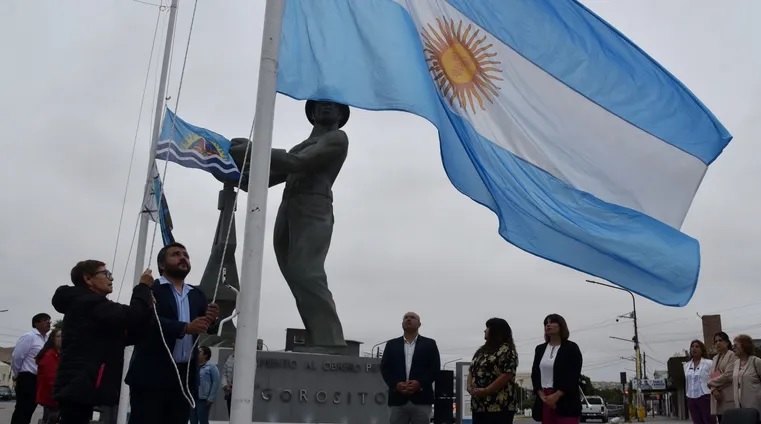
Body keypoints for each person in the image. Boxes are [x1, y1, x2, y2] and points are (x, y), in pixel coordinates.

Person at [230, 100, 351, 351]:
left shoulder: (337, 138)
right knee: (295, 276)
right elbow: (262, 180)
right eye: (321, 103)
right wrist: (222, 163)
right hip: (289, 208)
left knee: (306, 272)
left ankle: (330, 341)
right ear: (312, 112)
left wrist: (253, 150)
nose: (327, 106)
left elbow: (298, 163)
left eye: (333, 104)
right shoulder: (299, 146)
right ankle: (320, 338)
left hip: (314, 207)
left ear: (341, 113)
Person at [126, 242, 220, 424]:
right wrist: (184, 328)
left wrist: (211, 320)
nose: (183, 257)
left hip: (184, 378)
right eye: (176, 254)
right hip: (151, 374)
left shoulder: (197, 293)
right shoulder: (150, 289)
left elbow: (205, 327)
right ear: (162, 265)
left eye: (185, 254)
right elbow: (145, 321)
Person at [51, 260, 155, 424]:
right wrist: (143, 289)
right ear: (88, 279)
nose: (111, 278)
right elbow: (130, 316)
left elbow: (126, 335)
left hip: (81, 382)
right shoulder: (88, 302)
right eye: (106, 274)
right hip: (80, 381)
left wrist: (146, 310)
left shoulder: (90, 305)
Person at [380, 312, 441, 424]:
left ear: (419, 324)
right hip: (397, 400)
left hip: (421, 399)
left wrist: (420, 384)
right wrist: (396, 385)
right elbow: (385, 368)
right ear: (402, 323)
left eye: (412, 317)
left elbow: (435, 368)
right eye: (405, 318)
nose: (408, 319)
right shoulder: (391, 344)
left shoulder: (429, 344)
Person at [531, 313, 583, 424]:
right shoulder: (540, 349)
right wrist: (542, 395)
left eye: (552, 322)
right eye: (546, 323)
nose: (548, 325)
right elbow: (535, 374)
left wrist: (557, 395)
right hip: (544, 398)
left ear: (561, 326)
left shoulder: (571, 348)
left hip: (565, 400)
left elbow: (573, 375)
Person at [468, 318, 520, 424]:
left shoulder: (507, 350)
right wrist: (469, 387)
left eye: (487, 328)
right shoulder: (481, 350)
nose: (485, 330)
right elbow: (471, 370)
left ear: (496, 331)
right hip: (478, 405)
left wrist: (487, 390)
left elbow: (507, 374)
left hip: (499, 406)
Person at [10, 312, 51, 424]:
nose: (48, 322)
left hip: (39, 379)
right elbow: (17, 356)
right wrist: (17, 373)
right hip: (27, 377)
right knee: (22, 409)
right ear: (36, 323)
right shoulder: (29, 336)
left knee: (30, 410)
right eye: (45, 320)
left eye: (49, 320)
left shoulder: (47, 339)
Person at [708, 332, 736, 423]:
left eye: (720, 340)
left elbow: (728, 375)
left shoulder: (732, 355)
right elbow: (712, 376)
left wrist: (710, 383)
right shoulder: (716, 358)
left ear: (727, 342)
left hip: (729, 395)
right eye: (716, 341)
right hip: (718, 398)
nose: (718, 343)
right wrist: (713, 389)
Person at [35, 328, 62, 424]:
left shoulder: (60, 355)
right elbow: (50, 378)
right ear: (52, 339)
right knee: (51, 419)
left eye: (63, 336)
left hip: (57, 396)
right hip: (50, 396)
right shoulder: (49, 355)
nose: (61, 339)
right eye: (58, 336)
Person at [731, 334, 761, 417]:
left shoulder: (756, 361)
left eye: (736, 345)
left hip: (755, 406)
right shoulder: (736, 363)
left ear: (744, 346)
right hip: (740, 406)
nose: (733, 347)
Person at [684, 339, 713, 424]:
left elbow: (717, 378)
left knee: (709, 420)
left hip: (705, 396)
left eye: (697, 347)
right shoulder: (686, 365)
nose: (694, 349)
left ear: (702, 349)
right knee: (696, 421)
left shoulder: (709, 363)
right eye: (692, 347)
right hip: (691, 397)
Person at [191, 346, 220, 424]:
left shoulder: (211, 367)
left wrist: (211, 397)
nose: (197, 353)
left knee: (203, 419)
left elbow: (216, 382)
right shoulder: (193, 366)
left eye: (200, 352)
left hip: (203, 398)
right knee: (193, 420)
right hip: (192, 396)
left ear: (205, 355)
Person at [221, 343, 234, 415]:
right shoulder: (230, 358)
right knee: (231, 414)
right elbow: (224, 373)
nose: (232, 344)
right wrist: (225, 385)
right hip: (229, 392)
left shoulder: (249, 359)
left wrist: (234, 387)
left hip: (241, 394)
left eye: (235, 342)